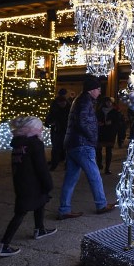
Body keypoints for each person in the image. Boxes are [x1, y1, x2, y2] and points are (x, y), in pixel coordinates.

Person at [0, 116, 56, 257]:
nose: (41, 130)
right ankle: (4, 244)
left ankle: (39, 228)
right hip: (33, 182)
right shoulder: (35, 144)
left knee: (41, 200)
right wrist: (48, 183)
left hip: (21, 181)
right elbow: (41, 167)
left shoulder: (18, 143)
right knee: (21, 212)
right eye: (39, 128)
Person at [57, 75, 116, 219]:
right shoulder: (85, 102)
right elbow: (82, 122)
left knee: (70, 179)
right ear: (91, 90)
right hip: (83, 144)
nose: (100, 92)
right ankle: (101, 204)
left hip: (73, 144)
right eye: (98, 89)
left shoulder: (80, 100)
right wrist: (92, 137)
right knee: (95, 176)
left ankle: (64, 209)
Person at [95, 96, 123, 175]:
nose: (108, 103)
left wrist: (112, 123)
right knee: (98, 150)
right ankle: (99, 164)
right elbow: (95, 119)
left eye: (110, 102)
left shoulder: (115, 111)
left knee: (109, 151)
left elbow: (118, 122)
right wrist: (98, 123)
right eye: (107, 102)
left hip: (110, 133)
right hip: (100, 132)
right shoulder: (99, 111)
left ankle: (107, 168)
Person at [45, 88, 70, 171]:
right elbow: (49, 117)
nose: (62, 104)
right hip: (57, 130)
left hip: (65, 131)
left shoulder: (68, 108)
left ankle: (65, 163)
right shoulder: (55, 107)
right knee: (56, 148)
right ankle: (54, 163)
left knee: (65, 148)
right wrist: (50, 123)